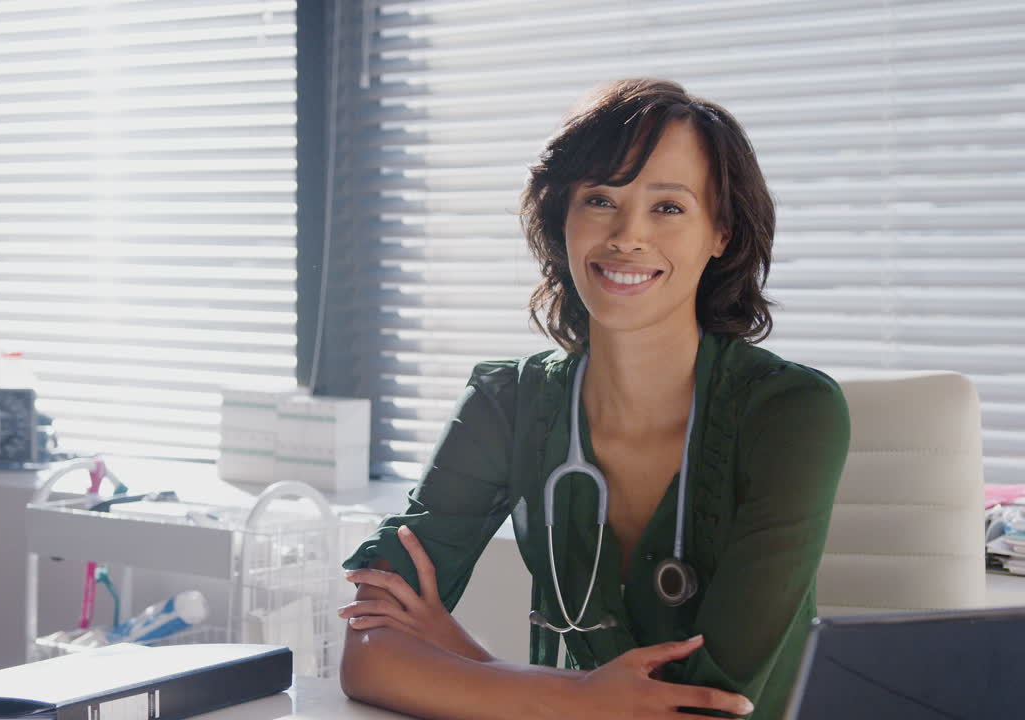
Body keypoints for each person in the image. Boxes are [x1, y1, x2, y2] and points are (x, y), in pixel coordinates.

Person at [337, 78, 851, 719]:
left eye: (668, 207)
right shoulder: (508, 402)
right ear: (563, 218)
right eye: (601, 199)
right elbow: (368, 654)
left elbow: (707, 708)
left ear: (720, 231)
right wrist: (577, 695)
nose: (628, 235)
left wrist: (477, 673)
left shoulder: (791, 414)